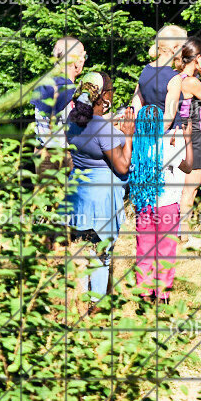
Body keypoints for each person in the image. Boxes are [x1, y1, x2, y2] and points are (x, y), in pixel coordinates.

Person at [65, 72, 134, 314]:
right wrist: (128, 135)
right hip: (103, 196)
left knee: (83, 248)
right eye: (111, 91)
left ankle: (78, 299)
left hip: (79, 190)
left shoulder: (73, 122)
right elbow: (122, 166)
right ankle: (97, 306)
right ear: (103, 96)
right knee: (102, 251)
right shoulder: (103, 129)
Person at [129, 105, 194, 304]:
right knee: (166, 250)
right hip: (167, 206)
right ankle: (162, 294)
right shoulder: (166, 147)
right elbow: (188, 167)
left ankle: (144, 292)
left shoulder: (136, 147)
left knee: (144, 249)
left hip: (143, 206)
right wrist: (188, 140)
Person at [173, 36, 201, 252]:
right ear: (198, 58)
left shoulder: (177, 77)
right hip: (195, 137)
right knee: (190, 190)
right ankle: (185, 236)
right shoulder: (190, 81)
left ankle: (180, 233)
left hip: (184, 135)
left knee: (183, 189)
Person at [31, 37, 87, 172]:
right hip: (66, 158)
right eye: (84, 56)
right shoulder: (71, 92)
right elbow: (78, 130)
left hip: (43, 155)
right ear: (76, 62)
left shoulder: (42, 86)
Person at [131, 24, 188, 132]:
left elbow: (136, 106)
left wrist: (141, 134)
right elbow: (168, 119)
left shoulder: (146, 70)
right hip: (169, 136)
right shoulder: (174, 78)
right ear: (174, 48)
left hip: (145, 133)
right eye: (183, 46)